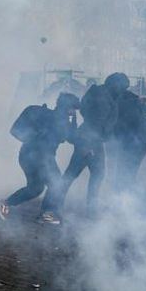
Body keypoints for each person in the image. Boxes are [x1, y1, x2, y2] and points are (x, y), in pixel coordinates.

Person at [0, 93, 79, 224]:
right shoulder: (59, 120)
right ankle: (47, 213)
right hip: (40, 157)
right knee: (57, 183)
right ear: (67, 108)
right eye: (72, 110)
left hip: (27, 156)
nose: (72, 113)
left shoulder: (50, 116)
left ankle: (6, 203)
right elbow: (71, 137)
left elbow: (70, 137)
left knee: (35, 188)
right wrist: (36, 138)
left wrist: (32, 138)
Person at [53, 72, 125, 215]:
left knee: (79, 173)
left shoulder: (100, 93)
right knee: (83, 173)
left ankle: (56, 202)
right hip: (90, 140)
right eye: (122, 87)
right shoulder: (103, 98)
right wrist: (93, 144)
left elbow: (86, 112)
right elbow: (98, 123)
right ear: (114, 85)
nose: (123, 91)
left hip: (90, 139)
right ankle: (59, 204)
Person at [111, 89, 146, 190]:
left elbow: (117, 126)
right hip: (141, 145)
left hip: (128, 144)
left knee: (122, 168)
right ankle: (127, 191)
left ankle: (120, 192)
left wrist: (119, 138)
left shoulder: (125, 109)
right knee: (132, 168)